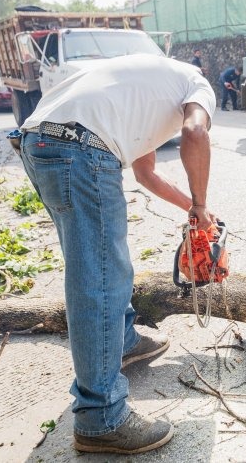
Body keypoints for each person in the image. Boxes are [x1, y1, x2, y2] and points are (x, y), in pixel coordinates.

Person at [19, 53, 216, 454]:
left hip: (39, 142)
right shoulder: (196, 83)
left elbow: (146, 174)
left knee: (97, 266)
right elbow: (196, 131)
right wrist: (200, 198)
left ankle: (122, 341)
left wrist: (196, 211)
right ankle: (101, 419)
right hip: (80, 149)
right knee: (101, 279)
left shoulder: (138, 85)